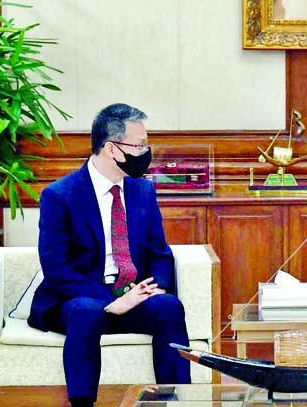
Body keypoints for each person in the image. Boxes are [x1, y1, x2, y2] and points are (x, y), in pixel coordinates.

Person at [28, 103, 191, 407]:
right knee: (88, 312)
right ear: (110, 149)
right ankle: (83, 404)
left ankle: (177, 402)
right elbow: (56, 268)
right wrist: (112, 302)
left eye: (146, 144)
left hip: (132, 293)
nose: (145, 151)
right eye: (138, 145)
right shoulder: (59, 195)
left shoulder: (142, 191)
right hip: (79, 297)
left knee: (168, 307)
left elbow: (159, 253)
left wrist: (155, 288)